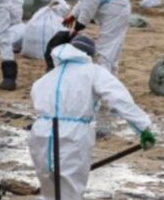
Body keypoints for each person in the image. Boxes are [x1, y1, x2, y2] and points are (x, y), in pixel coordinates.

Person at [29, 36, 156, 200]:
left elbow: (37, 99)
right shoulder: (93, 72)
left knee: (50, 187)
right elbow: (119, 98)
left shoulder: (47, 77)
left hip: (41, 133)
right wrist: (143, 128)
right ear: (89, 55)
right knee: (71, 188)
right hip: (73, 135)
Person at [62, 0, 130, 75]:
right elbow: (85, 0)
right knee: (112, 49)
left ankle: (104, 80)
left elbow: (88, 9)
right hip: (118, 10)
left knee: (104, 50)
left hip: (115, 14)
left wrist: (77, 28)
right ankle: (112, 78)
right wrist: (73, 15)